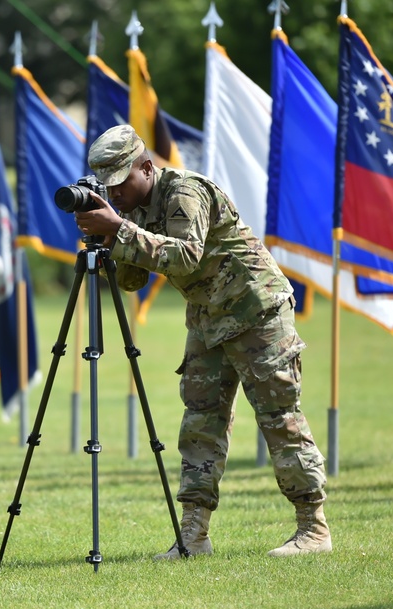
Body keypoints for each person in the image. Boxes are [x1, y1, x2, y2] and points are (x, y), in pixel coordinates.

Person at [74, 125, 331, 559]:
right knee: (200, 425)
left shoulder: (185, 192)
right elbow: (135, 280)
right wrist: (108, 237)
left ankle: (314, 530)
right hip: (209, 319)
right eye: (108, 184)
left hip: (256, 311)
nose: (114, 192)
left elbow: (186, 255)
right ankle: (193, 535)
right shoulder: (130, 208)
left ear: (146, 168)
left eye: (121, 180)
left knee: (278, 417)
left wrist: (119, 229)